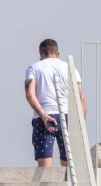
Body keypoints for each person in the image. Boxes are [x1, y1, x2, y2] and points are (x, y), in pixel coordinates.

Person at [24, 38, 83, 172]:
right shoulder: (70, 68)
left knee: (45, 167)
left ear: (40, 54)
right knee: (69, 164)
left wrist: (44, 116)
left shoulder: (34, 67)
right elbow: (80, 97)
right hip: (67, 116)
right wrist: (79, 123)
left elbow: (29, 94)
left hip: (44, 118)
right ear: (58, 53)